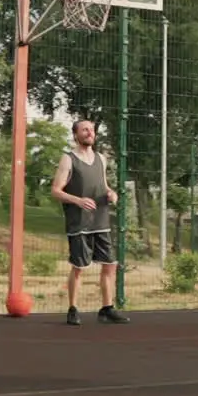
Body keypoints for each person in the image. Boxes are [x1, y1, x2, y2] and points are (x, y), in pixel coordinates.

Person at [49, 119, 130, 326]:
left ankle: (106, 309)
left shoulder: (101, 158)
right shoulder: (68, 159)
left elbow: (104, 185)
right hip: (79, 223)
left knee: (110, 265)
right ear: (76, 135)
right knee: (79, 267)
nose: (89, 132)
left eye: (92, 130)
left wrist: (111, 194)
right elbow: (56, 190)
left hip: (100, 220)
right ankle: (73, 309)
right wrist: (78, 200)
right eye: (85, 130)